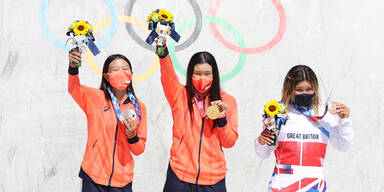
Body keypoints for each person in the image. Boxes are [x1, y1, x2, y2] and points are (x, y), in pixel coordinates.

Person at [254, 65, 353, 192]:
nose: (304, 93)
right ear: (289, 89)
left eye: (309, 89)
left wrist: (344, 120)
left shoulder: (323, 113)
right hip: (282, 185)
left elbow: (344, 145)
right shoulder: (278, 113)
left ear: (315, 89)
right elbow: (263, 153)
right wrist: (261, 141)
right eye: (299, 90)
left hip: (314, 186)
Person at [156, 43, 238, 192]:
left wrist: (222, 119)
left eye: (207, 73)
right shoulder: (179, 95)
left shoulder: (227, 102)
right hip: (180, 175)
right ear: (190, 74)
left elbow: (229, 142)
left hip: (213, 178)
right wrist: (162, 51)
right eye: (197, 73)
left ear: (214, 75)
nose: (202, 78)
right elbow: (168, 75)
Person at [68, 49, 147, 192]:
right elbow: (74, 88)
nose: (121, 73)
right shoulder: (95, 98)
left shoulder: (139, 108)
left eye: (125, 69)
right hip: (93, 176)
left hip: (122, 181)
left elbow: (139, 149)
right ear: (106, 76)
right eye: (115, 70)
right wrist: (73, 67)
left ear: (131, 74)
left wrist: (132, 135)